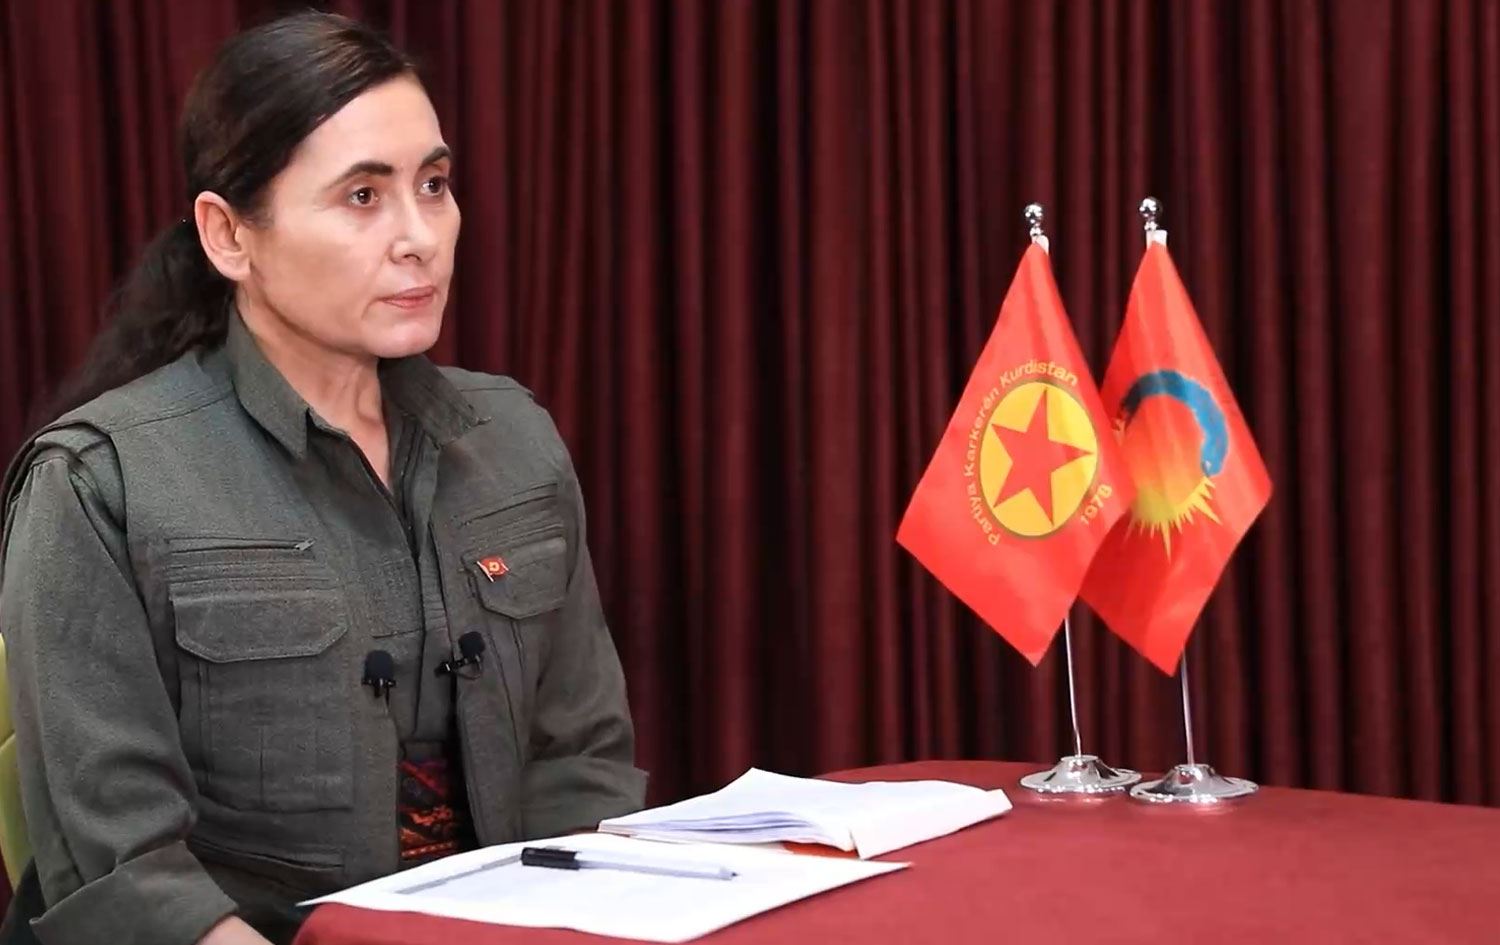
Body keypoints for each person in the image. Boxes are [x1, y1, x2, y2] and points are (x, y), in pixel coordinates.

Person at [0, 12, 645, 945]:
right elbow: (123, 875)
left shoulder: (514, 438)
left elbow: (581, 759)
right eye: (362, 196)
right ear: (229, 235)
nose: (420, 236)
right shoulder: (99, 483)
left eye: (434, 184)